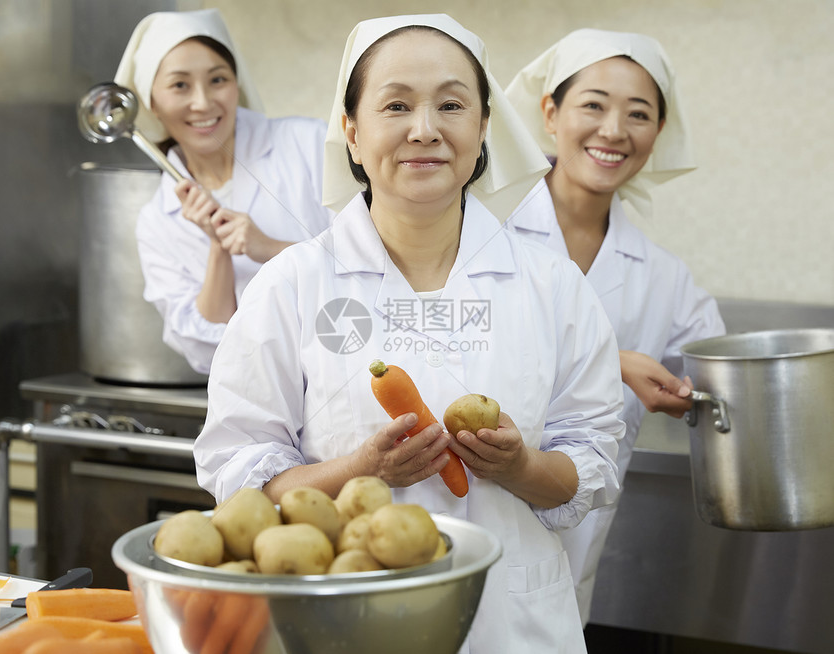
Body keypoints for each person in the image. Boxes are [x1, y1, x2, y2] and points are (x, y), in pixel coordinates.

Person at [194, 13, 627, 653]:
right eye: (396, 105)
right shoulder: (291, 286)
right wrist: (362, 469)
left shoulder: (552, 287)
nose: (424, 130)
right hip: (342, 625)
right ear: (352, 131)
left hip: (512, 628)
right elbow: (240, 473)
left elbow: (590, 461)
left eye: (451, 105)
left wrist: (521, 466)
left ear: (482, 128)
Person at [505, 28, 726, 624]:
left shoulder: (663, 278)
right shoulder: (477, 231)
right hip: (465, 518)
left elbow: (723, 368)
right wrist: (615, 362)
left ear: (657, 133)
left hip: (568, 562)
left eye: (638, 114)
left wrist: (689, 394)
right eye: (593, 105)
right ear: (550, 112)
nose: (613, 131)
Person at [114, 9, 334, 374]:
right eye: (179, 85)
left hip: (344, 376)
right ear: (150, 100)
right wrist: (218, 248)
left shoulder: (308, 144)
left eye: (217, 79)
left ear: (237, 83)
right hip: (255, 403)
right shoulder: (156, 221)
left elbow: (375, 266)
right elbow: (207, 354)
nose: (202, 102)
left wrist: (270, 248)